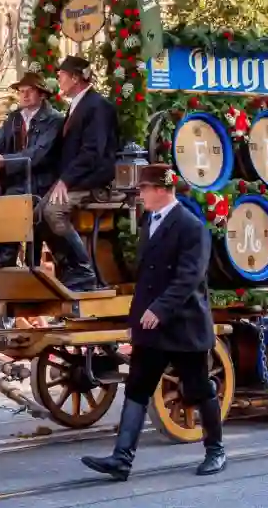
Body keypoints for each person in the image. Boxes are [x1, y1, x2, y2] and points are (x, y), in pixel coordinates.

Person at [80, 163, 225, 481]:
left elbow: (189, 278)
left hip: (184, 325)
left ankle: (216, 451)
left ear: (161, 189)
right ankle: (121, 459)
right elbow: (146, 279)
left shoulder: (190, 226)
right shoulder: (151, 222)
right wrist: (137, 321)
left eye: (143, 190)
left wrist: (159, 310)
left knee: (198, 388)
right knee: (137, 388)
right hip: (151, 328)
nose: (140, 196)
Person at [38, 56, 118, 292]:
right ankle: (67, 266)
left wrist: (65, 180)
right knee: (35, 213)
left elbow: (92, 153)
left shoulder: (98, 106)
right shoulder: (76, 105)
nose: (58, 78)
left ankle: (83, 270)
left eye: (62, 74)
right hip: (75, 180)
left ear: (75, 78)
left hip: (93, 181)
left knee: (53, 210)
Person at [0, 72, 63, 268]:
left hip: (41, 181)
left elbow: (37, 153)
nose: (24, 95)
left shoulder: (54, 120)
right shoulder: (15, 118)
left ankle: (7, 253)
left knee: (13, 195)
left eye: (30, 91)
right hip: (16, 179)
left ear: (42, 95)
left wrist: (5, 161)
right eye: (21, 92)